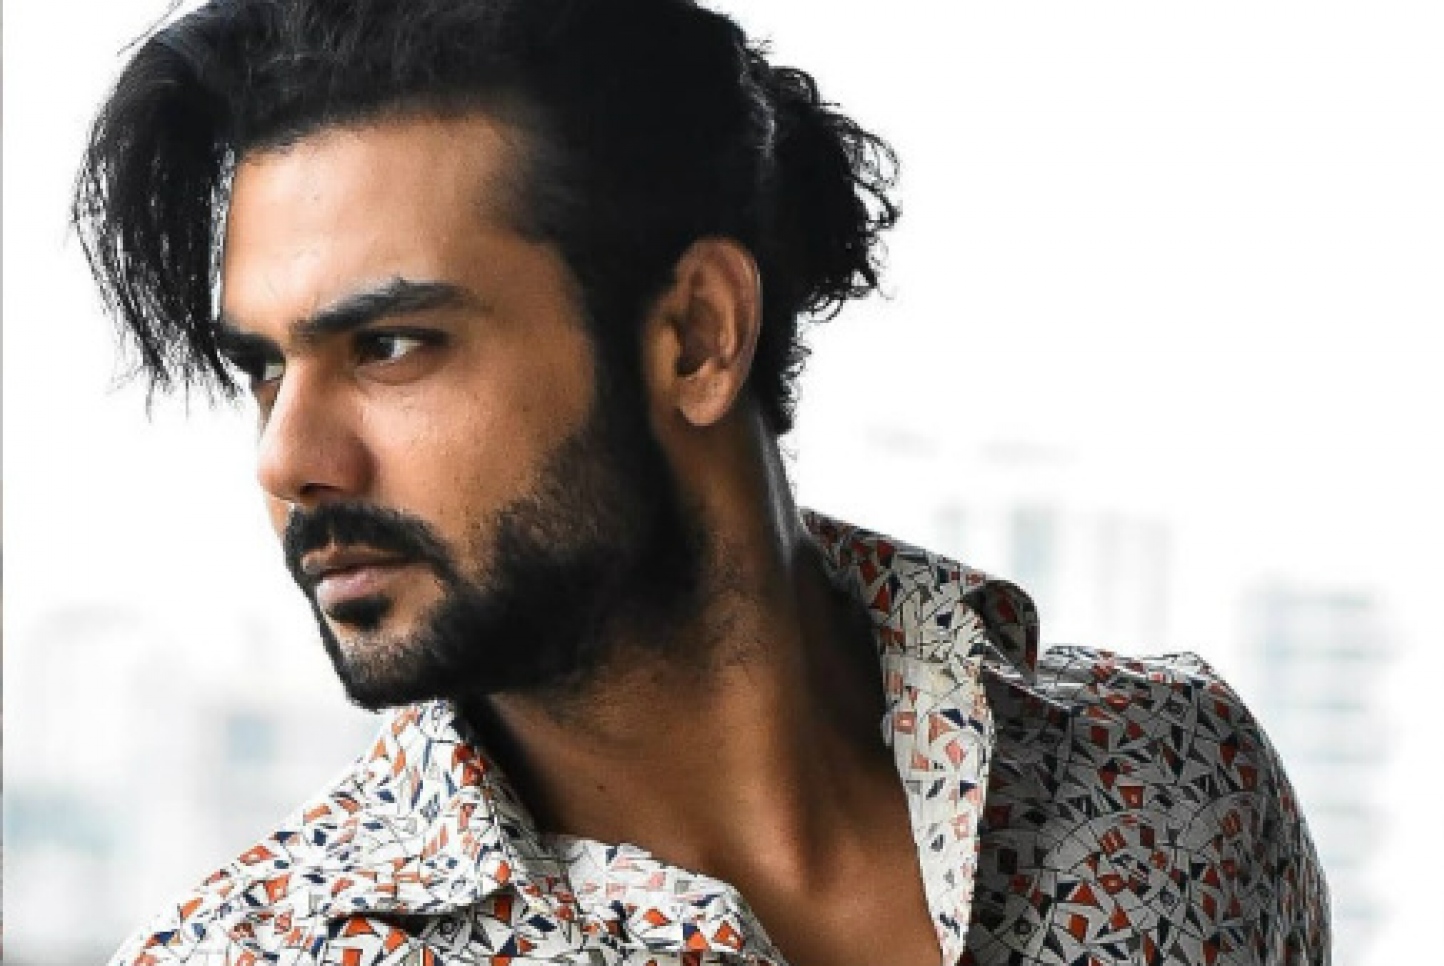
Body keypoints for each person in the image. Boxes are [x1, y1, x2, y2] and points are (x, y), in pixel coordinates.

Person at [74, 0, 1330, 963]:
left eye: (390, 346)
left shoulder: (1173, 784)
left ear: (695, 336)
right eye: (263, 369)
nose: (290, 459)